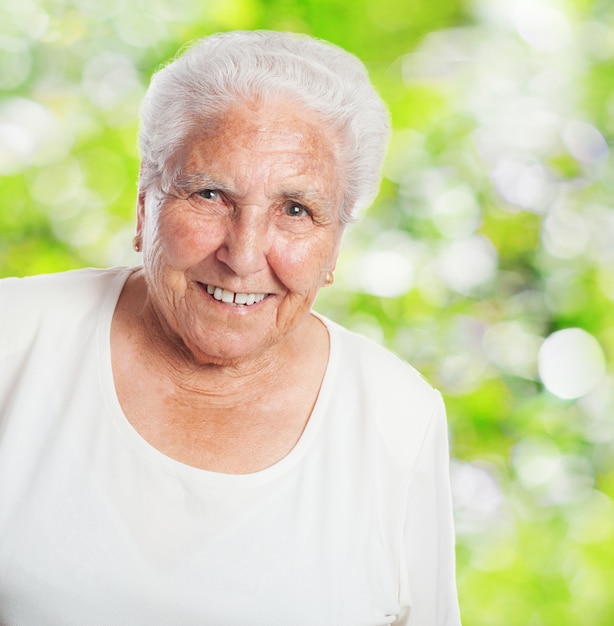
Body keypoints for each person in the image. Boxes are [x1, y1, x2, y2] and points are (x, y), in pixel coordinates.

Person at [0, 31, 461, 625]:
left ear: (335, 245)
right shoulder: (13, 336)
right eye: (211, 194)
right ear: (145, 206)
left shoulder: (399, 420)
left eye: (296, 210)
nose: (243, 255)